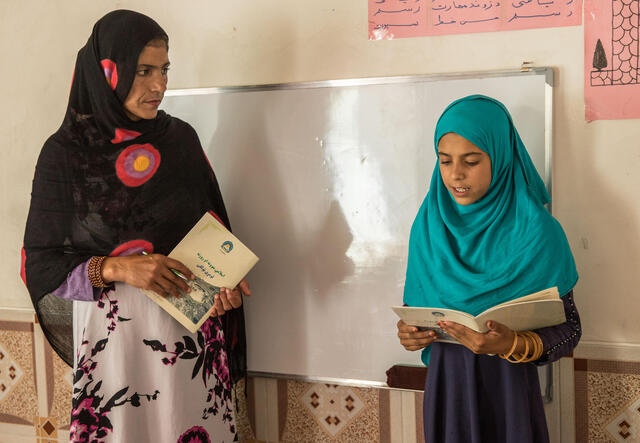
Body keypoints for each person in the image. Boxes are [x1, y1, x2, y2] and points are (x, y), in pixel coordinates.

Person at [22, 10, 249, 442]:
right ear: (108, 70)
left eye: (164, 69)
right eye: (143, 71)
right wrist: (120, 267)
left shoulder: (180, 140)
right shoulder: (66, 154)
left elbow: (212, 233)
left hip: (192, 336)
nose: (159, 85)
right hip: (116, 346)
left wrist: (227, 282)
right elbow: (42, 264)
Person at [397, 95, 581, 443]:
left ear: (501, 157)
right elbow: (416, 313)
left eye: (471, 160)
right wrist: (410, 334)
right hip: (446, 390)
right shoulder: (428, 228)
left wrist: (512, 343)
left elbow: (570, 331)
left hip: (508, 393)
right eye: (445, 160)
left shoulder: (537, 232)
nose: (455, 174)